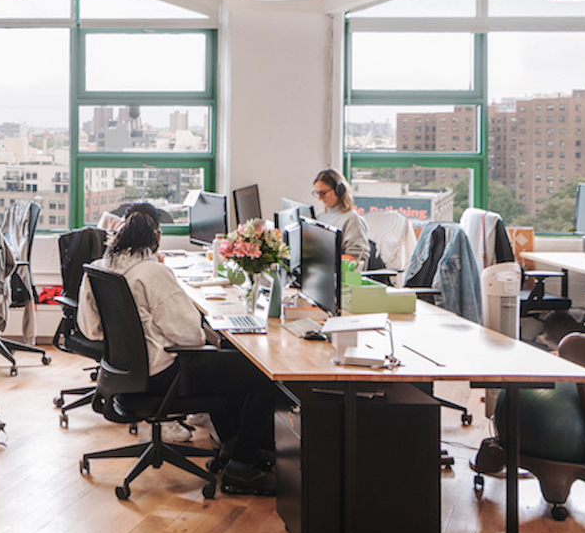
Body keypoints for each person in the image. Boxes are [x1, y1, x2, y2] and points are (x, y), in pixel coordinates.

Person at [77, 208, 277, 494]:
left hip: (124, 378)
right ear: (156, 238)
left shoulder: (98, 268)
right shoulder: (152, 272)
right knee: (258, 373)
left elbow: (90, 330)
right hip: (163, 376)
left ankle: (232, 447)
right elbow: (188, 336)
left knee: (227, 368)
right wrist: (207, 336)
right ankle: (241, 467)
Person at [312, 167, 371, 264]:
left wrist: (324, 260)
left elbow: (356, 260)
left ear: (339, 190)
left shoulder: (352, 220)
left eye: (323, 193)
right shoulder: (321, 216)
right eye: (317, 193)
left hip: (344, 276)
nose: (319, 198)